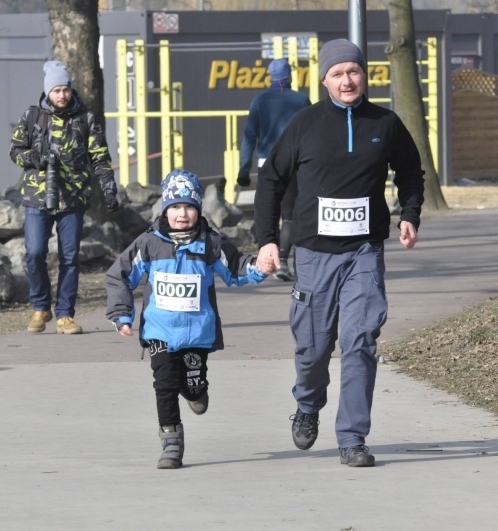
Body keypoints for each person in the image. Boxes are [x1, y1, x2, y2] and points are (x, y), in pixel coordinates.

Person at [253, 39, 425, 467]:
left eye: (354, 71)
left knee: (361, 339)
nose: (347, 80)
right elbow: (271, 181)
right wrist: (267, 239)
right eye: (338, 74)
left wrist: (410, 214)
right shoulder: (305, 123)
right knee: (313, 349)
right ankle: (308, 405)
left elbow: (410, 170)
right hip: (313, 253)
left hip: (364, 251)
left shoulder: (384, 122)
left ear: (364, 75)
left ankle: (352, 438)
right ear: (324, 79)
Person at [105, 169, 276, 469]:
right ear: (165, 209)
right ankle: (171, 443)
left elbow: (236, 268)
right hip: (160, 330)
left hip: (197, 333)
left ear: (198, 209)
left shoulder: (211, 243)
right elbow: (119, 276)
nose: (182, 214)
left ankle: (196, 389)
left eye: (188, 207)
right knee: (165, 384)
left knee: (193, 388)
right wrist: (121, 314)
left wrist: (259, 267)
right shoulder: (149, 244)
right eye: (175, 207)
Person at [9, 61, 119, 335]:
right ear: (48, 92)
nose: (61, 95)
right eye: (56, 90)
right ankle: (40, 307)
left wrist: (108, 188)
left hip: (73, 198)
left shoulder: (85, 119)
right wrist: (35, 158)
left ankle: (65, 315)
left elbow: (100, 158)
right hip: (37, 196)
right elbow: (15, 150)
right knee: (34, 254)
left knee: (69, 257)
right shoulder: (32, 117)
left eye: (65, 89)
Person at [237, 58, 311, 282]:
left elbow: (249, 138)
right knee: (289, 216)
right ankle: (283, 262)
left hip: (266, 165)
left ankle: (268, 259)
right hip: (295, 165)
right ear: (290, 76)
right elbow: (312, 134)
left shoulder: (259, 102)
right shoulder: (302, 100)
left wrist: (243, 169)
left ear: (271, 77)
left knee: (269, 212)